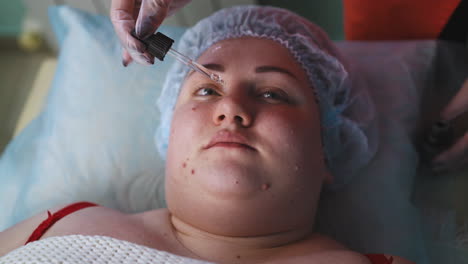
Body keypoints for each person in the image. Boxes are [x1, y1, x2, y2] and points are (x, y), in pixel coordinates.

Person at [1, 4, 420, 264]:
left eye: (273, 93)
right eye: (205, 89)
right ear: (169, 127)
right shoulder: (53, 225)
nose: (230, 108)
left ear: (329, 146)